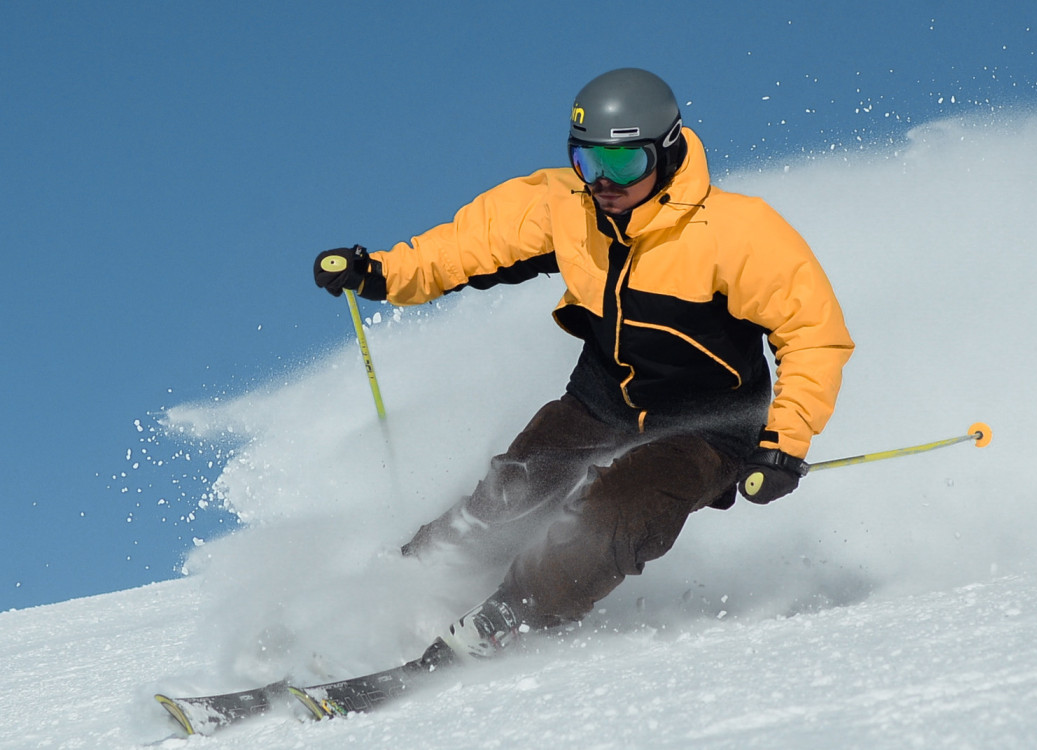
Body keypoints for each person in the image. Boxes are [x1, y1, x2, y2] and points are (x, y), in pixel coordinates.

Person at [313, 68, 853, 660]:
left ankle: (509, 618)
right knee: (511, 494)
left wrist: (784, 444)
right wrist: (385, 272)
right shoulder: (569, 207)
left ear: (666, 153)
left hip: (709, 427)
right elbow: (469, 245)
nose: (602, 182)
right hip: (602, 401)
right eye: (587, 162)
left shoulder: (737, 233)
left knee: (611, 515)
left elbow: (814, 333)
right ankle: (399, 592)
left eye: (621, 166)